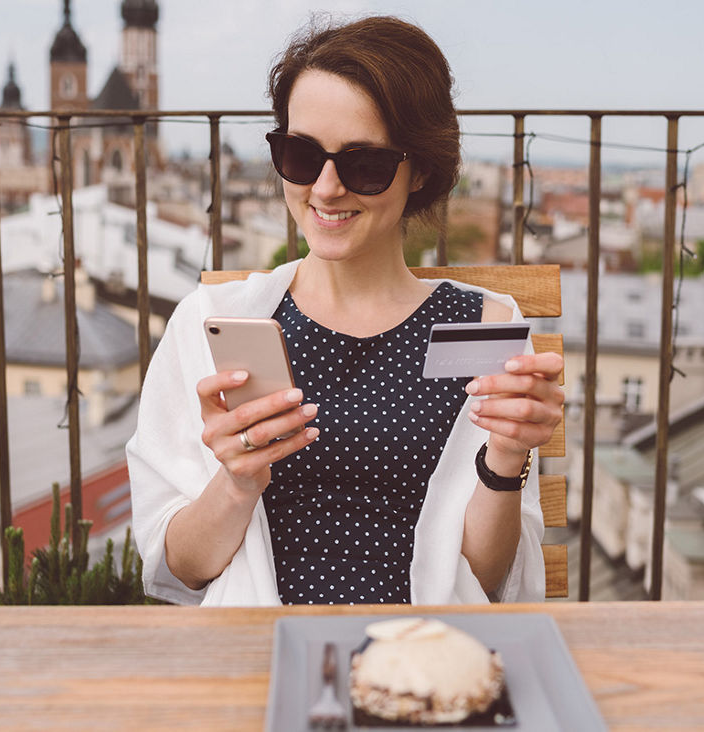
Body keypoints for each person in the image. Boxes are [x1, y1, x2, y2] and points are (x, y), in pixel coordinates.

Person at [128, 16, 564, 606]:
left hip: (420, 660)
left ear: (422, 171)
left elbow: (485, 583)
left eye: (364, 164)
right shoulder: (212, 323)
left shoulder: (480, 326)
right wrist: (236, 483)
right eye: (301, 154)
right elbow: (180, 569)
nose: (327, 189)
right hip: (263, 658)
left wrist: (508, 456)